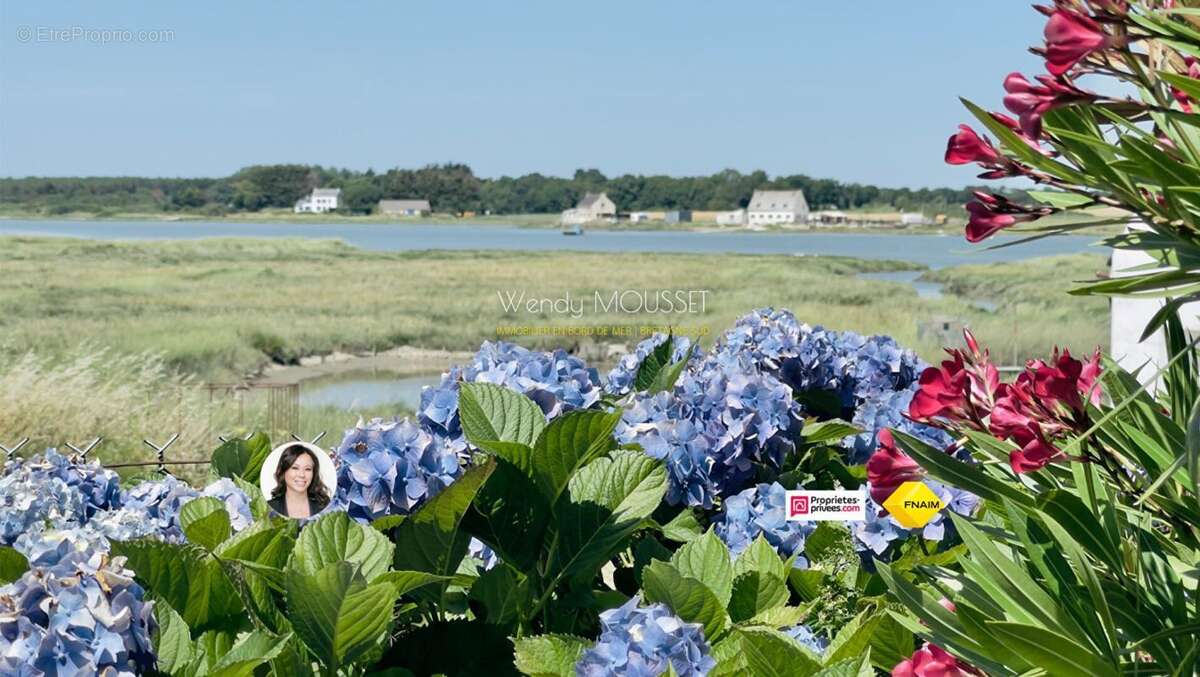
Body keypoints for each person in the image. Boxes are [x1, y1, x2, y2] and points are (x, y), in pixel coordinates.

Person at [268, 444, 331, 519]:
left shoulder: (325, 506)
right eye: (295, 468)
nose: (302, 475)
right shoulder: (270, 507)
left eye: (308, 469)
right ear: (283, 471)